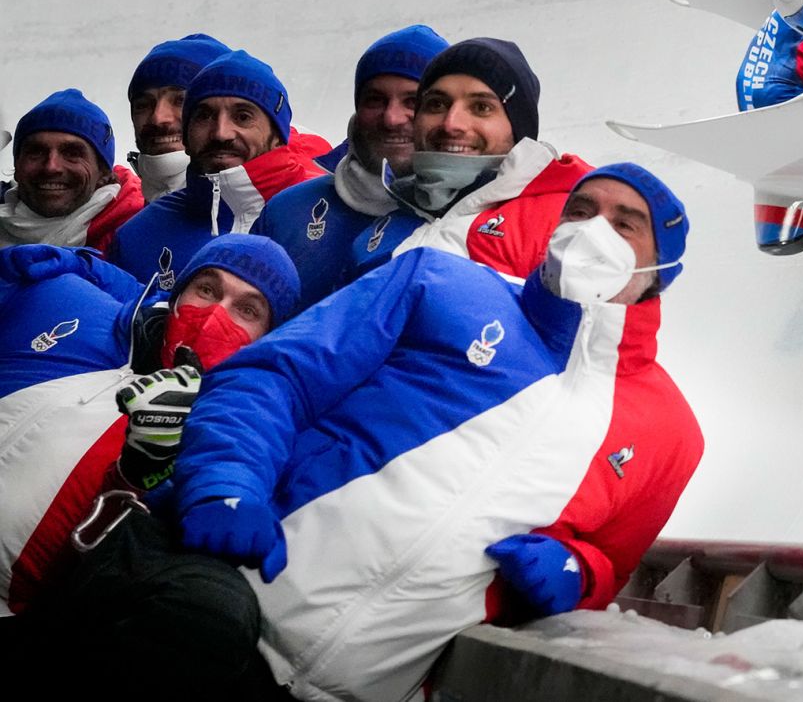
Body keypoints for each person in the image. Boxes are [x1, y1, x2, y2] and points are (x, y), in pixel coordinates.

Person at [72, 163, 701, 701]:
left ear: (663, 264)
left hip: (362, 687)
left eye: (624, 223)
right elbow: (274, 376)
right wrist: (226, 481)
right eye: (581, 209)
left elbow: (613, 556)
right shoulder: (441, 283)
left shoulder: (671, 432)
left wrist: (577, 570)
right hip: (219, 606)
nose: (591, 231)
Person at [0, 234, 299, 627]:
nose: (214, 316)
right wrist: (81, 263)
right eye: (206, 289)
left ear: (267, 337)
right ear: (176, 295)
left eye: (247, 310)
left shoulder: (226, 447)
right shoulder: (75, 311)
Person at [347, 36, 592, 283]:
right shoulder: (388, 221)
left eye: (481, 108)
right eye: (437, 104)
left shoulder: (570, 222)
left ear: (518, 126)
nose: (451, 123)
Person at [253, 25, 447, 305]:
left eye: (413, 101)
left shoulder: (470, 219)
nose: (392, 118)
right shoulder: (285, 211)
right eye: (375, 100)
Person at [108, 51, 328, 288]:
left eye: (243, 117)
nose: (221, 133)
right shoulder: (138, 236)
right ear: (187, 134)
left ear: (277, 135)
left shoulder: (325, 209)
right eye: (204, 116)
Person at [0, 90, 144, 252]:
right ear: (17, 167)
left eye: (72, 153)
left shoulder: (142, 235)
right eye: (36, 152)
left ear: (104, 174)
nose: (51, 167)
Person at [126, 33, 231, 201]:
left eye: (181, 100)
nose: (158, 118)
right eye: (143, 105)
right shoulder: (134, 223)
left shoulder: (274, 210)